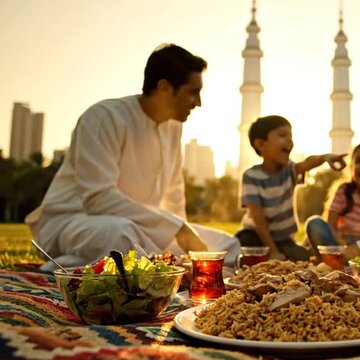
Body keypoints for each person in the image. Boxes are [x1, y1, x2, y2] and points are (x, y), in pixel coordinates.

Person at [26, 44, 239, 271]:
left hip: (143, 228)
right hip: (74, 222)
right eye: (192, 92)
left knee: (227, 244)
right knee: (121, 236)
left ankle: (87, 267)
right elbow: (99, 199)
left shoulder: (174, 128)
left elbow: (173, 197)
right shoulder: (104, 118)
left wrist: (181, 233)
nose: (198, 103)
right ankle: (159, 269)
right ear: (164, 88)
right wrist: (175, 228)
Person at [235, 115, 347, 261]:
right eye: (282, 135)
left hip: (284, 240)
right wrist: (273, 251)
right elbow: (258, 218)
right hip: (257, 236)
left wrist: (325, 157)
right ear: (261, 144)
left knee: (301, 259)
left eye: (291, 136)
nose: (289, 140)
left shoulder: (289, 171)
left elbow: (308, 162)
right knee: (246, 245)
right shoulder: (251, 176)